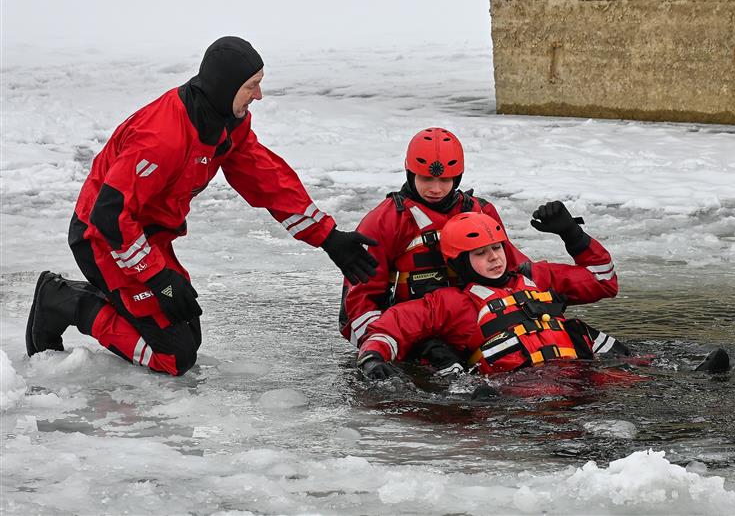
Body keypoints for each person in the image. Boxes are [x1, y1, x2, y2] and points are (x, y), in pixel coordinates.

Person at [25, 36, 378, 376]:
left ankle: (118, 298)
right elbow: (109, 217)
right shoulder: (162, 137)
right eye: (251, 85)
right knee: (173, 357)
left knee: (186, 333)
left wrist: (328, 237)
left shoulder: (225, 122)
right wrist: (157, 277)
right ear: (225, 86)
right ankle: (66, 301)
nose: (259, 95)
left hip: (147, 237)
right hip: (103, 238)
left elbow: (267, 179)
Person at [339, 127, 529, 372]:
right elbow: (356, 306)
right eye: (426, 179)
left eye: (445, 180)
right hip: (412, 333)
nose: (436, 189)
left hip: (477, 328)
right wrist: (381, 350)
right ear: (410, 173)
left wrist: (571, 236)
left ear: (458, 178)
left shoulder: (481, 212)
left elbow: (516, 273)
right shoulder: (384, 221)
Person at [356, 207, 628, 379]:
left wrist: (572, 234)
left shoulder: (538, 278)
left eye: (496, 249)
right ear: (460, 261)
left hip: (588, 376)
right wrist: (372, 357)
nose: (494, 259)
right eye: (480, 253)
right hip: (523, 395)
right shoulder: (452, 303)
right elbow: (392, 328)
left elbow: (603, 280)